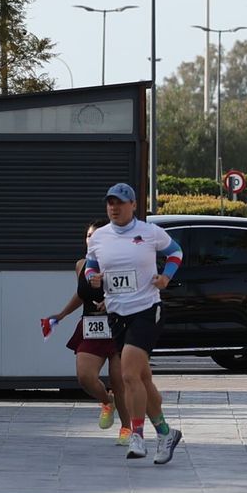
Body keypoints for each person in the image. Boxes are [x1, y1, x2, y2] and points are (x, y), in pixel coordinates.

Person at [85, 183, 184, 463]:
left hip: (146, 309)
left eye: (120, 203)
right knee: (141, 379)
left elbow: (176, 252)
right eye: (110, 203)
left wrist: (166, 277)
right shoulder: (100, 237)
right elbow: (92, 264)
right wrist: (93, 276)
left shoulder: (150, 232)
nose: (114, 208)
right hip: (117, 313)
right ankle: (165, 432)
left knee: (128, 375)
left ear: (133, 205)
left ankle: (137, 435)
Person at [46, 219, 130, 445]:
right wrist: (62, 314)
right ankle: (106, 400)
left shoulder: (120, 263)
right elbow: (81, 294)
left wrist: (112, 301)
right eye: (88, 236)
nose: (91, 240)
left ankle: (127, 428)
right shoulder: (81, 265)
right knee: (85, 377)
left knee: (119, 379)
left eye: (96, 236)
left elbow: (133, 291)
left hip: (119, 326)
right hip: (92, 327)